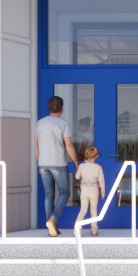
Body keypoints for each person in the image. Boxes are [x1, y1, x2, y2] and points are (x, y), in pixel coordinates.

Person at [34, 96, 78, 237]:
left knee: (49, 195)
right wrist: (76, 162)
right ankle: (53, 219)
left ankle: (51, 227)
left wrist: (40, 160)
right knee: (65, 192)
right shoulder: (63, 124)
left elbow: (36, 144)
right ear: (62, 108)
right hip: (58, 163)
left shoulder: (40, 123)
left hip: (43, 163)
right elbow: (69, 146)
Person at [75, 146, 105, 236]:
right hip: (94, 191)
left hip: (84, 190)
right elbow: (102, 182)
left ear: (85, 155)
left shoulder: (82, 166)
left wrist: (78, 170)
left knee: (83, 210)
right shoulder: (98, 168)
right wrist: (102, 192)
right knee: (93, 211)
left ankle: (77, 229)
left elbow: (77, 177)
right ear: (96, 156)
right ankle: (94, 230)